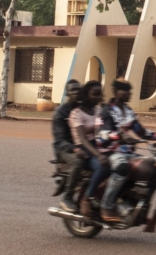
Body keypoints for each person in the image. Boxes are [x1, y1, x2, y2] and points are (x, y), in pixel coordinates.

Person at [97, 78, 156, 223]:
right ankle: (107, 205)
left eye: (129, 90)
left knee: (154, 167)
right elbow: (102, 135)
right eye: (124, 90)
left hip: (127, 152)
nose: (128, 93)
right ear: (115, 92)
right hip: (110, 151)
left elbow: (140, 131)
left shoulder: (128, 111)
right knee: (122, 167)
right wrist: (120, 136)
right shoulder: (106, 111)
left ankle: (137, 204)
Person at [68, 81, 106, 216]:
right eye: (94, 94)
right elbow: (83, 139)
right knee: (102, 166)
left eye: (99, 94)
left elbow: (104, 130)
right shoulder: (76, 113)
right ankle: (87, 198)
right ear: (86, 95)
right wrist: (99, 155)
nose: (98, 97)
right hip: (84, 148)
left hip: (98, 145)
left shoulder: (98, 110)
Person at [52, 79, 83, 211]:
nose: (76, 92)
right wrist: (74, 149)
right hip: (64, 149)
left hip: (81, 146)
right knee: (78, 163)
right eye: (73, 90)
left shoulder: (82, 110)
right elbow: (59, 140)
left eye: (78, 90)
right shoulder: (61, 112)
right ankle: (67, 197)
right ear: (67, 93)